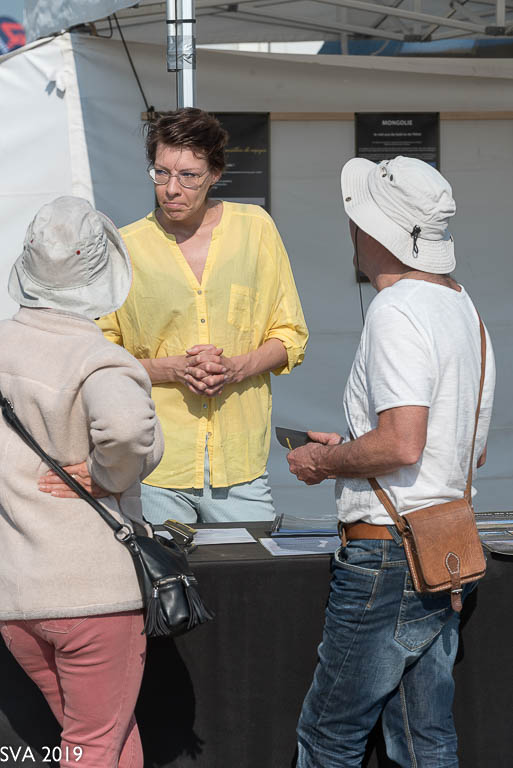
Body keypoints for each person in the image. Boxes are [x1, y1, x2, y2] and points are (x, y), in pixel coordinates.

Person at [287, 156, 495, 768]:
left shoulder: (397, 308)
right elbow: (466, 448)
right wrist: (352, 445)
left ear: (372, 228)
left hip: (390, 552)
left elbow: (403, 443)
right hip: (443, 544)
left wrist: (326, 461)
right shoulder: (462, 305)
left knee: (329, 737)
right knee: (423, 738)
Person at [0, 197, 164, 768]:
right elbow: (128, 428)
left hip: (17, 593)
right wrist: (103, 475)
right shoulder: (95, 356)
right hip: (93, 592)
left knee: (104, 735)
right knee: (94, 743)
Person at [94, 107, 309, 525]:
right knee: (162, 571)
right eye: (161, 173)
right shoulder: (126, 246)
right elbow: (102, 357)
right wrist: (172, 369)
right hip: (156, 465)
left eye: (188, 175)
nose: (172, 189)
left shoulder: (255, 229)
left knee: (252, 568)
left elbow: (291, 336)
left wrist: (236, 367)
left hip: (240, 466)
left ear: (215, 173)